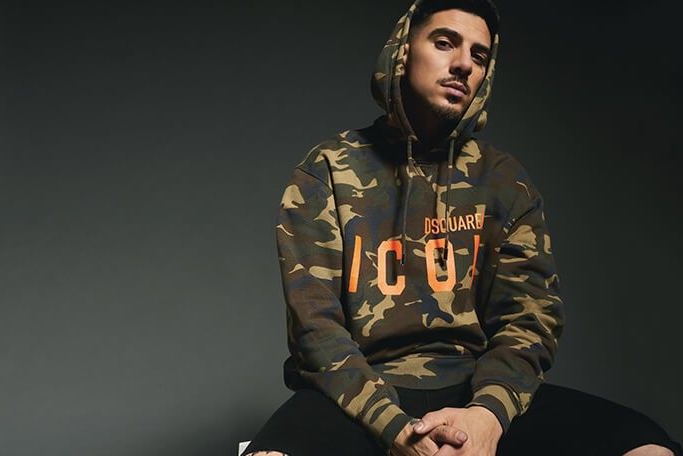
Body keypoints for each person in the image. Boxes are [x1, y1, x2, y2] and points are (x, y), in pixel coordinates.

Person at [242, 0, 682, 455]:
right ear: (402, 51)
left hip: (474, 390)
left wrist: (487, 416)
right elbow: (315, 329)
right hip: (358, 396)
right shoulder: (328, 170)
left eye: (479, 55)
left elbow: (529, 319)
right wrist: (397, 430)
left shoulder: (504, 180)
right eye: (445, 42)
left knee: (650, 449)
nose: (463, 65)